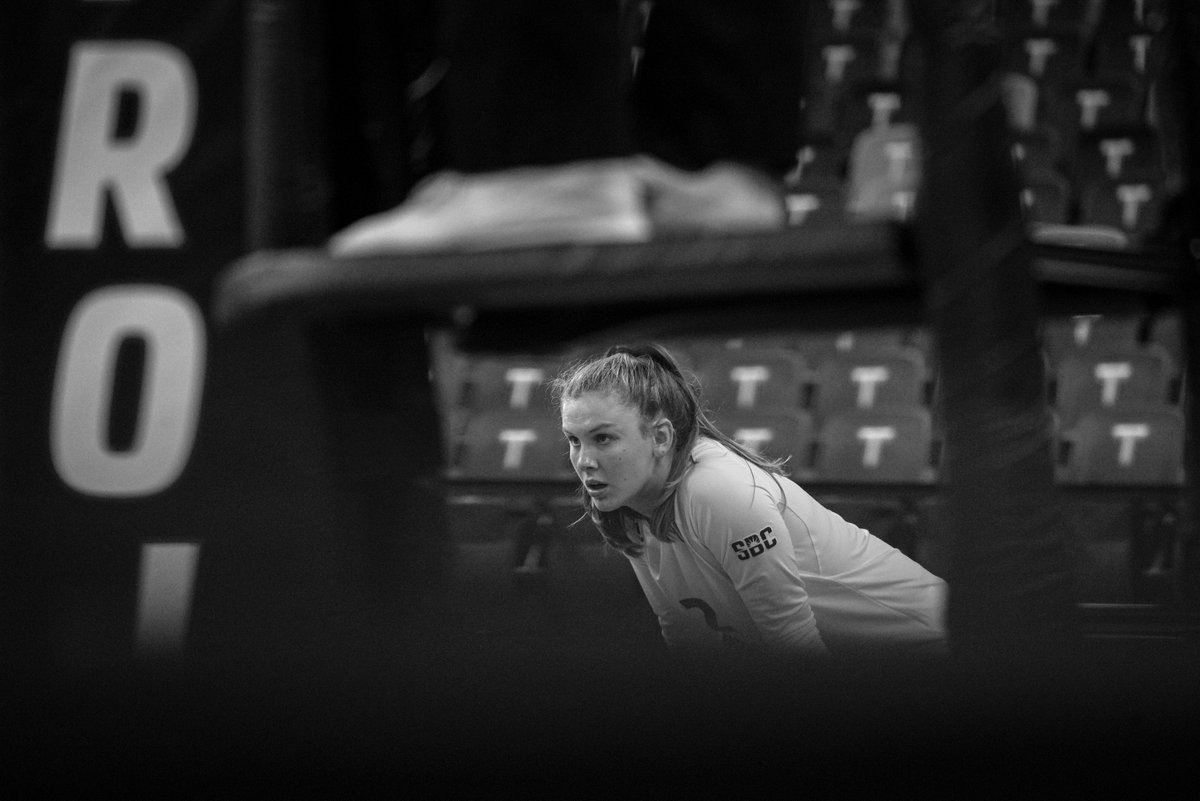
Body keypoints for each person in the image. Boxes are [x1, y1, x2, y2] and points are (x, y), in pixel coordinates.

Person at [552, 342, 947, 659]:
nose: (584, 461)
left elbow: (794, 645)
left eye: (603, 438)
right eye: (574, 440)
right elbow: (685, 631)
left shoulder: (716, 490)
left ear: (660, 438)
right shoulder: (627, 502)